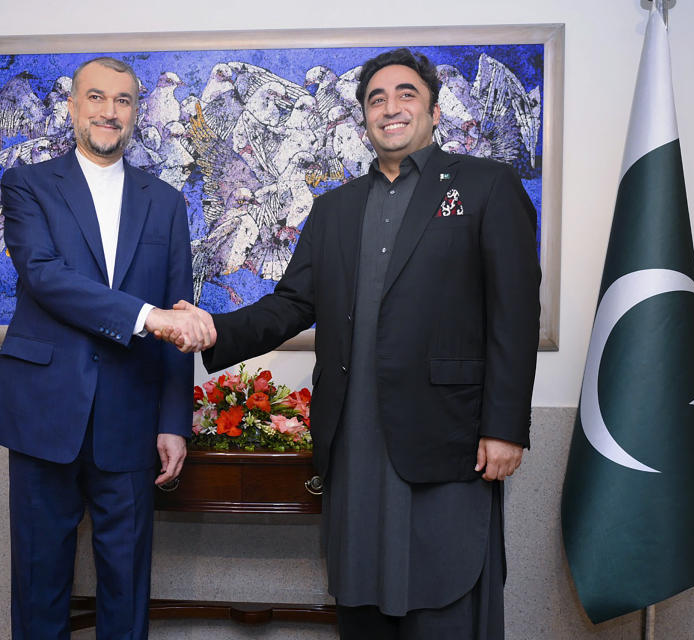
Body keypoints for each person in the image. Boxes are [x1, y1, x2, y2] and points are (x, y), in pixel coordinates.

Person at [170, 48, 540, 639]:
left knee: (446, 600)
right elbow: (290, 305)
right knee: (362, 602)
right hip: (355, 440)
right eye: (376, 99)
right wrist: (215, 328)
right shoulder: (333, 209)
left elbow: (514, 315)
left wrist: (505, 427)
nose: (390, 108)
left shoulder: (485, 186)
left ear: (435, 111)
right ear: (363, 119)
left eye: (406, 94)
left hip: (447, 436)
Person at [0, 57, 213, 640]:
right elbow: (45, 277)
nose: (110, 111)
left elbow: (179, 313)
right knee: (38, 585)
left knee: (128, 587)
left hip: (131, 417)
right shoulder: (27, 183)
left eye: (124, 100)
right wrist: (143, 315)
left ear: (135, 113)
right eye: (97, 98)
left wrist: (174, 421)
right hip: (42, 412)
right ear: (74, 106)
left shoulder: (166, 202)